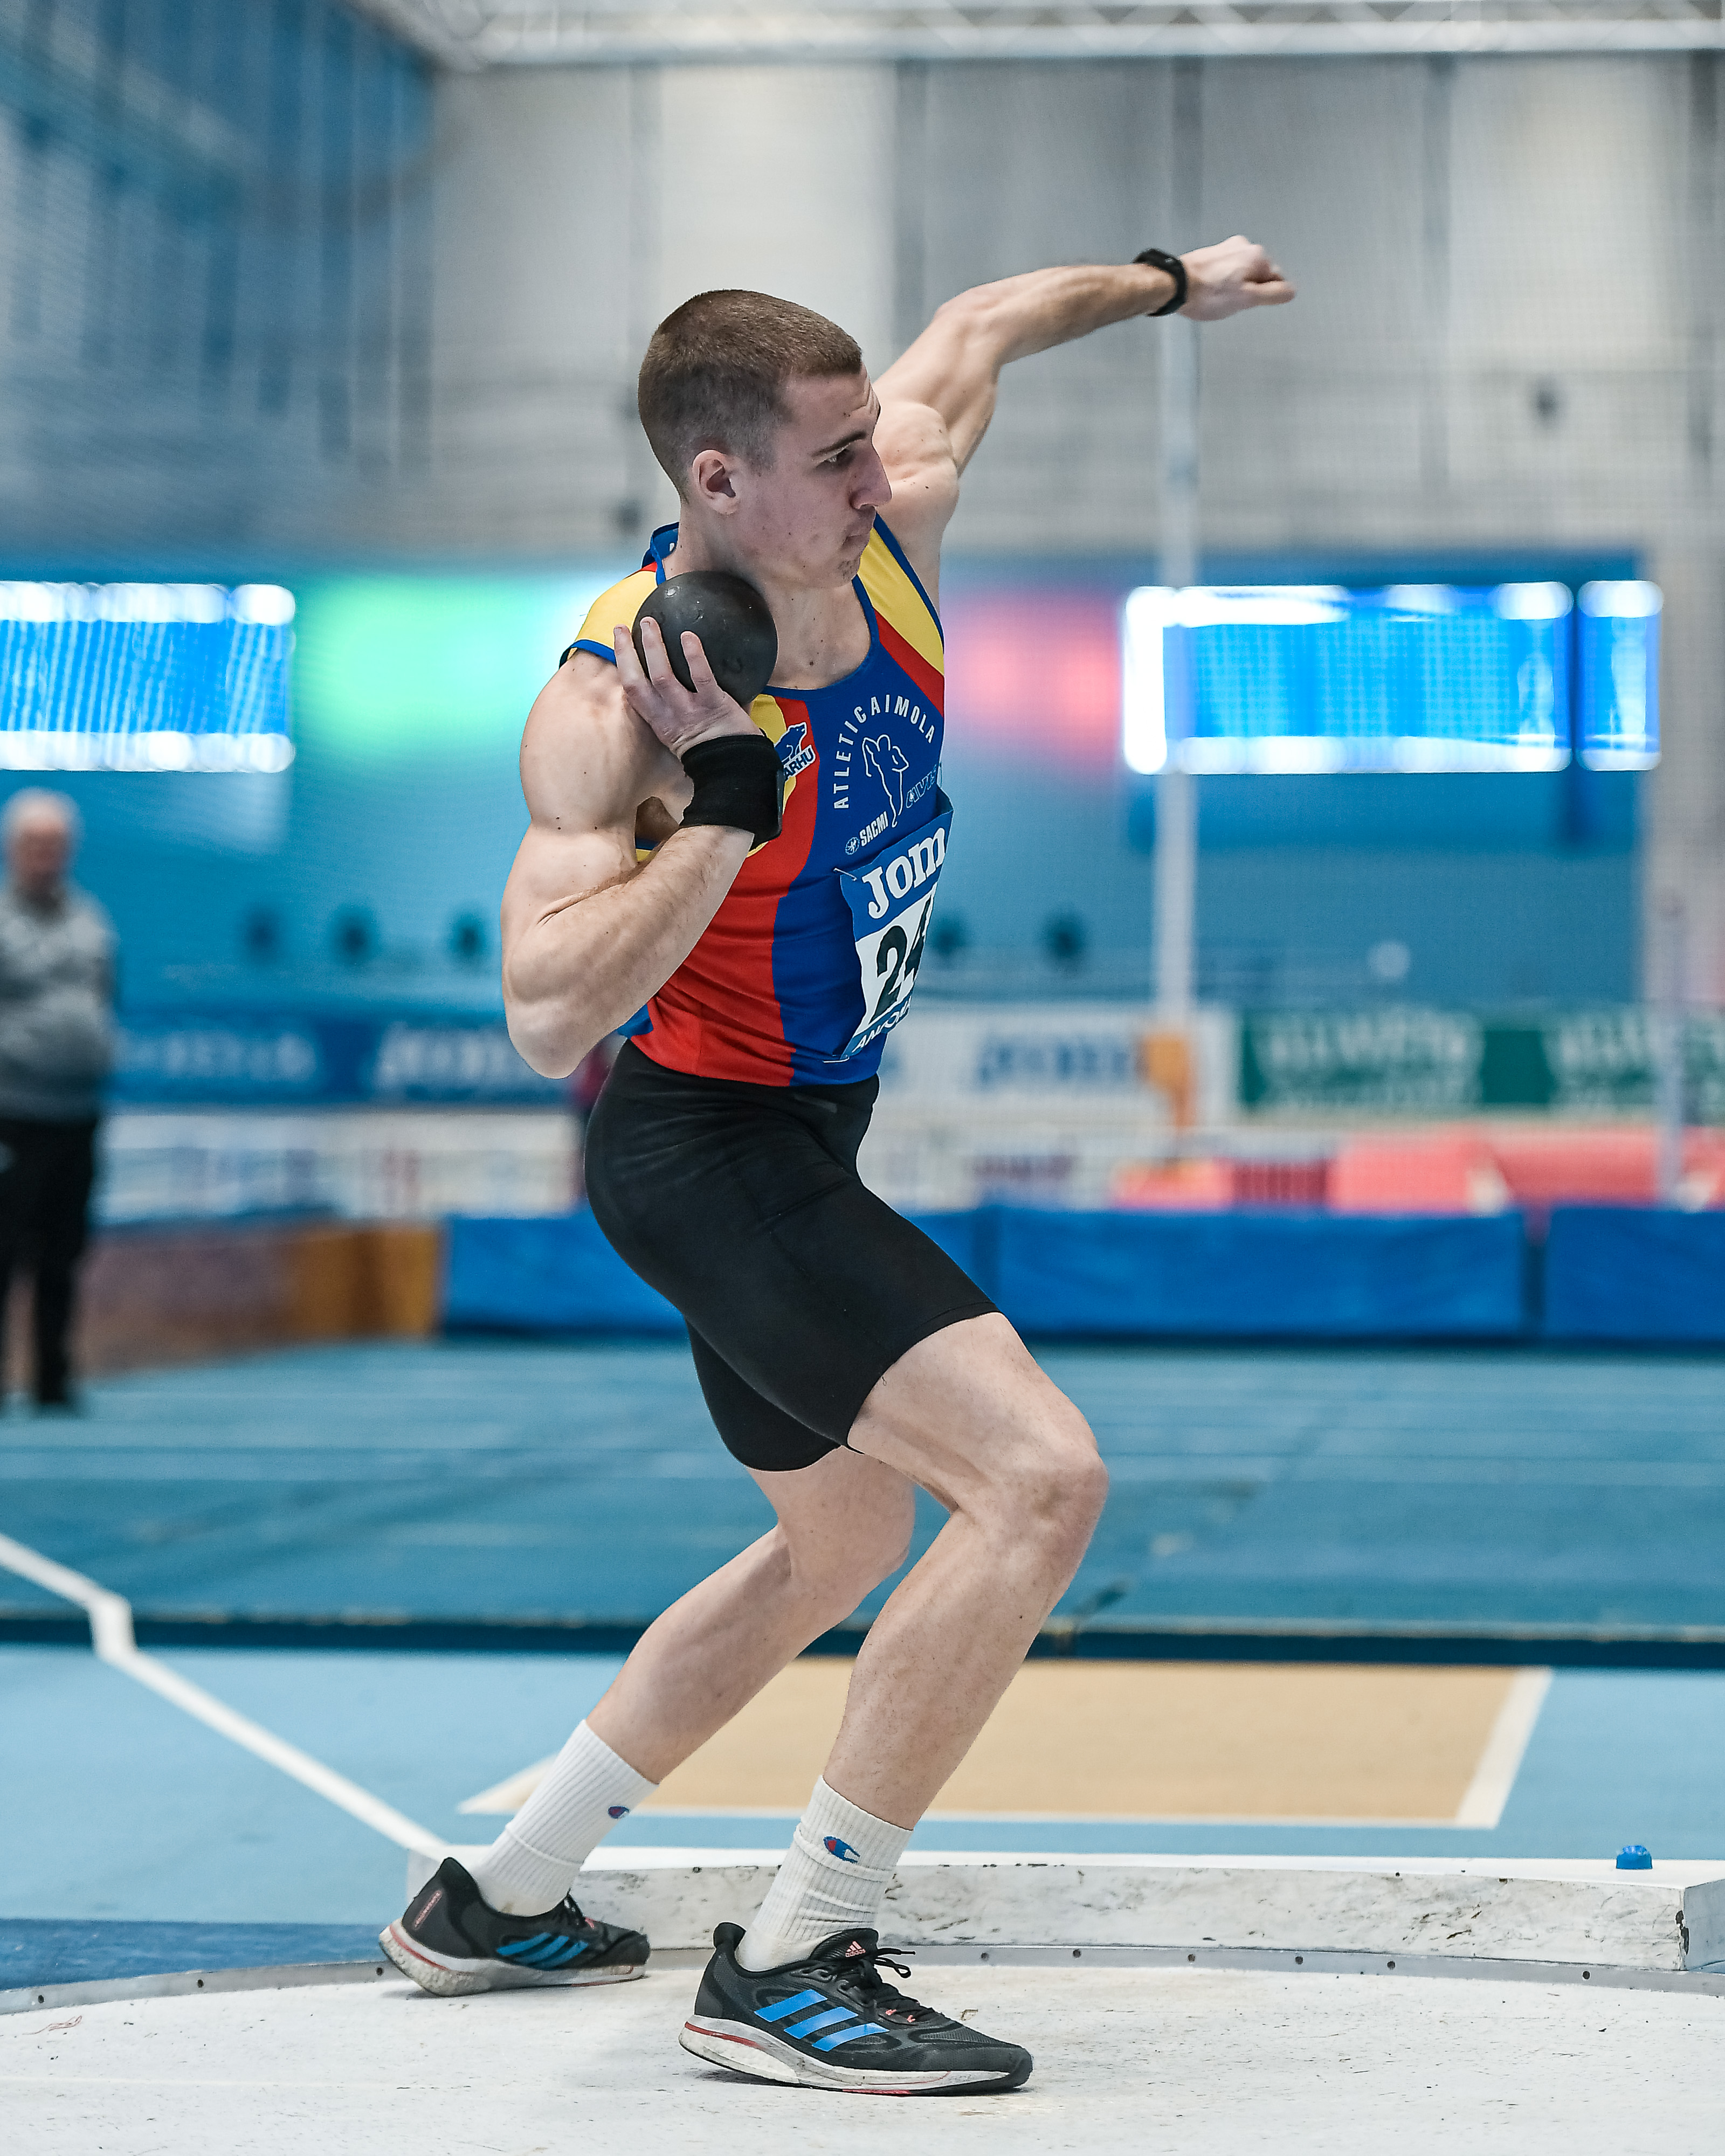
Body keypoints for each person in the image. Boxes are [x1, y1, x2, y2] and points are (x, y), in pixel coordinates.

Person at [383, 238, 1294, 2090]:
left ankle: (500, 1891)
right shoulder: (615, 706)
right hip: (705, 1148)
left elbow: (983, 326)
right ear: (719, 480)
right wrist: (722, 808)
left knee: (844, 1541)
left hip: (808, 1129)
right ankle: (794, 1955)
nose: (886, 474)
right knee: (1039, 1482)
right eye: (838, 455)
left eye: (874, 437)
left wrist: (1164, 279)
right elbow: (545, 1014)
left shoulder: (892, 525)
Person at [0, 789, 116, 1411]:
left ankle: (54, 1377)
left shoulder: (91, 920)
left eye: (56, 844)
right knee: (4, 1247)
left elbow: (107, 994)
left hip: (78, 1109)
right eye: (35, 844)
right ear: (13, 848)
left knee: (64, 1250)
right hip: (12, 1110)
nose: (46, 855)